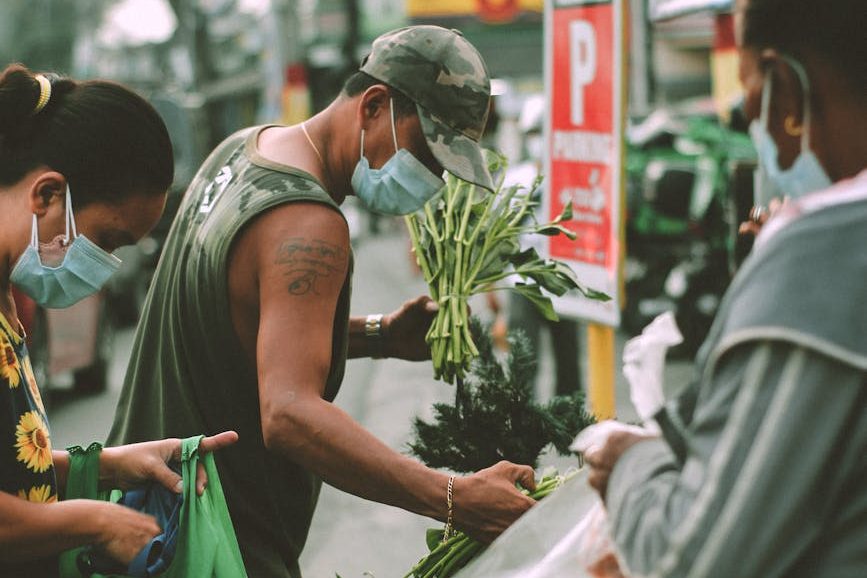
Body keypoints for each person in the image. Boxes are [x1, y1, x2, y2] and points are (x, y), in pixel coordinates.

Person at [108, 26, 537, 578]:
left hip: (141, 522)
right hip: (214, 546)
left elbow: (238, 328)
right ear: (374, 106)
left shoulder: (240, 152)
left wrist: (376, 335)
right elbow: (288, 413)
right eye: (428, 155)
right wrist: (454, 497)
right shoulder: (309, 222)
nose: (432, 181)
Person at [584, 0, 867, 576]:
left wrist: (631, 462)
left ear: (786, 91)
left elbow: (689, 559)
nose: (753, 122)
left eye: (749, 99)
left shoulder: (821, 264)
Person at [0, 64, 238, 577]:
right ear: (46, 196)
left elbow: (11, 471)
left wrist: (108, 464)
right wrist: (97, 522)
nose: (106, 268)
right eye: (107, 241)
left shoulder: (8, 301)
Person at [488, 94, 582, 396]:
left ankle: (569, 429)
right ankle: (523, 432)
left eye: (544, 132)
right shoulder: (515, 179)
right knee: (523, 366)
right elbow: (498, 238)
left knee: (569, 368)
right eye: (533, 132)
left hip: (563, 283)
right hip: (522, 284)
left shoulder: (573, 179)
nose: (539, 140)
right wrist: (492, 286)